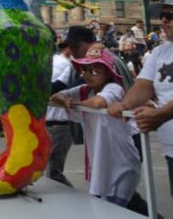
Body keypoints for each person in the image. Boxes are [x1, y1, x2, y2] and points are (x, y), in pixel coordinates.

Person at [109, 0, 173, 218]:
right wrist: (124, 104)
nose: (163, 20)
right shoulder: (160, 52)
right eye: (163, 14)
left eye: (172, 14)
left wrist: (160, 114)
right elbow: (144, 85)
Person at [51, 46, 140, 208]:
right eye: (84, 70)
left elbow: (98, 103)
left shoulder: (114, 88)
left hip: (121, 165)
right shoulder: (85, 90)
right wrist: (63, 100)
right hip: (100, 165)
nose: (87, 74)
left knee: (114, 210)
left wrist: (74, 103)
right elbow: (56, 96)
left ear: (108, 72)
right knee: (115, 209)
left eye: (94, 70)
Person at [46, 41, 74, 186]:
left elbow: (55, 88)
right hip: (57, 121)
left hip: (57, 121)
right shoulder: (66, 64)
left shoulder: (66, 64)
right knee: (52, 171)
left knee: (52, 171)